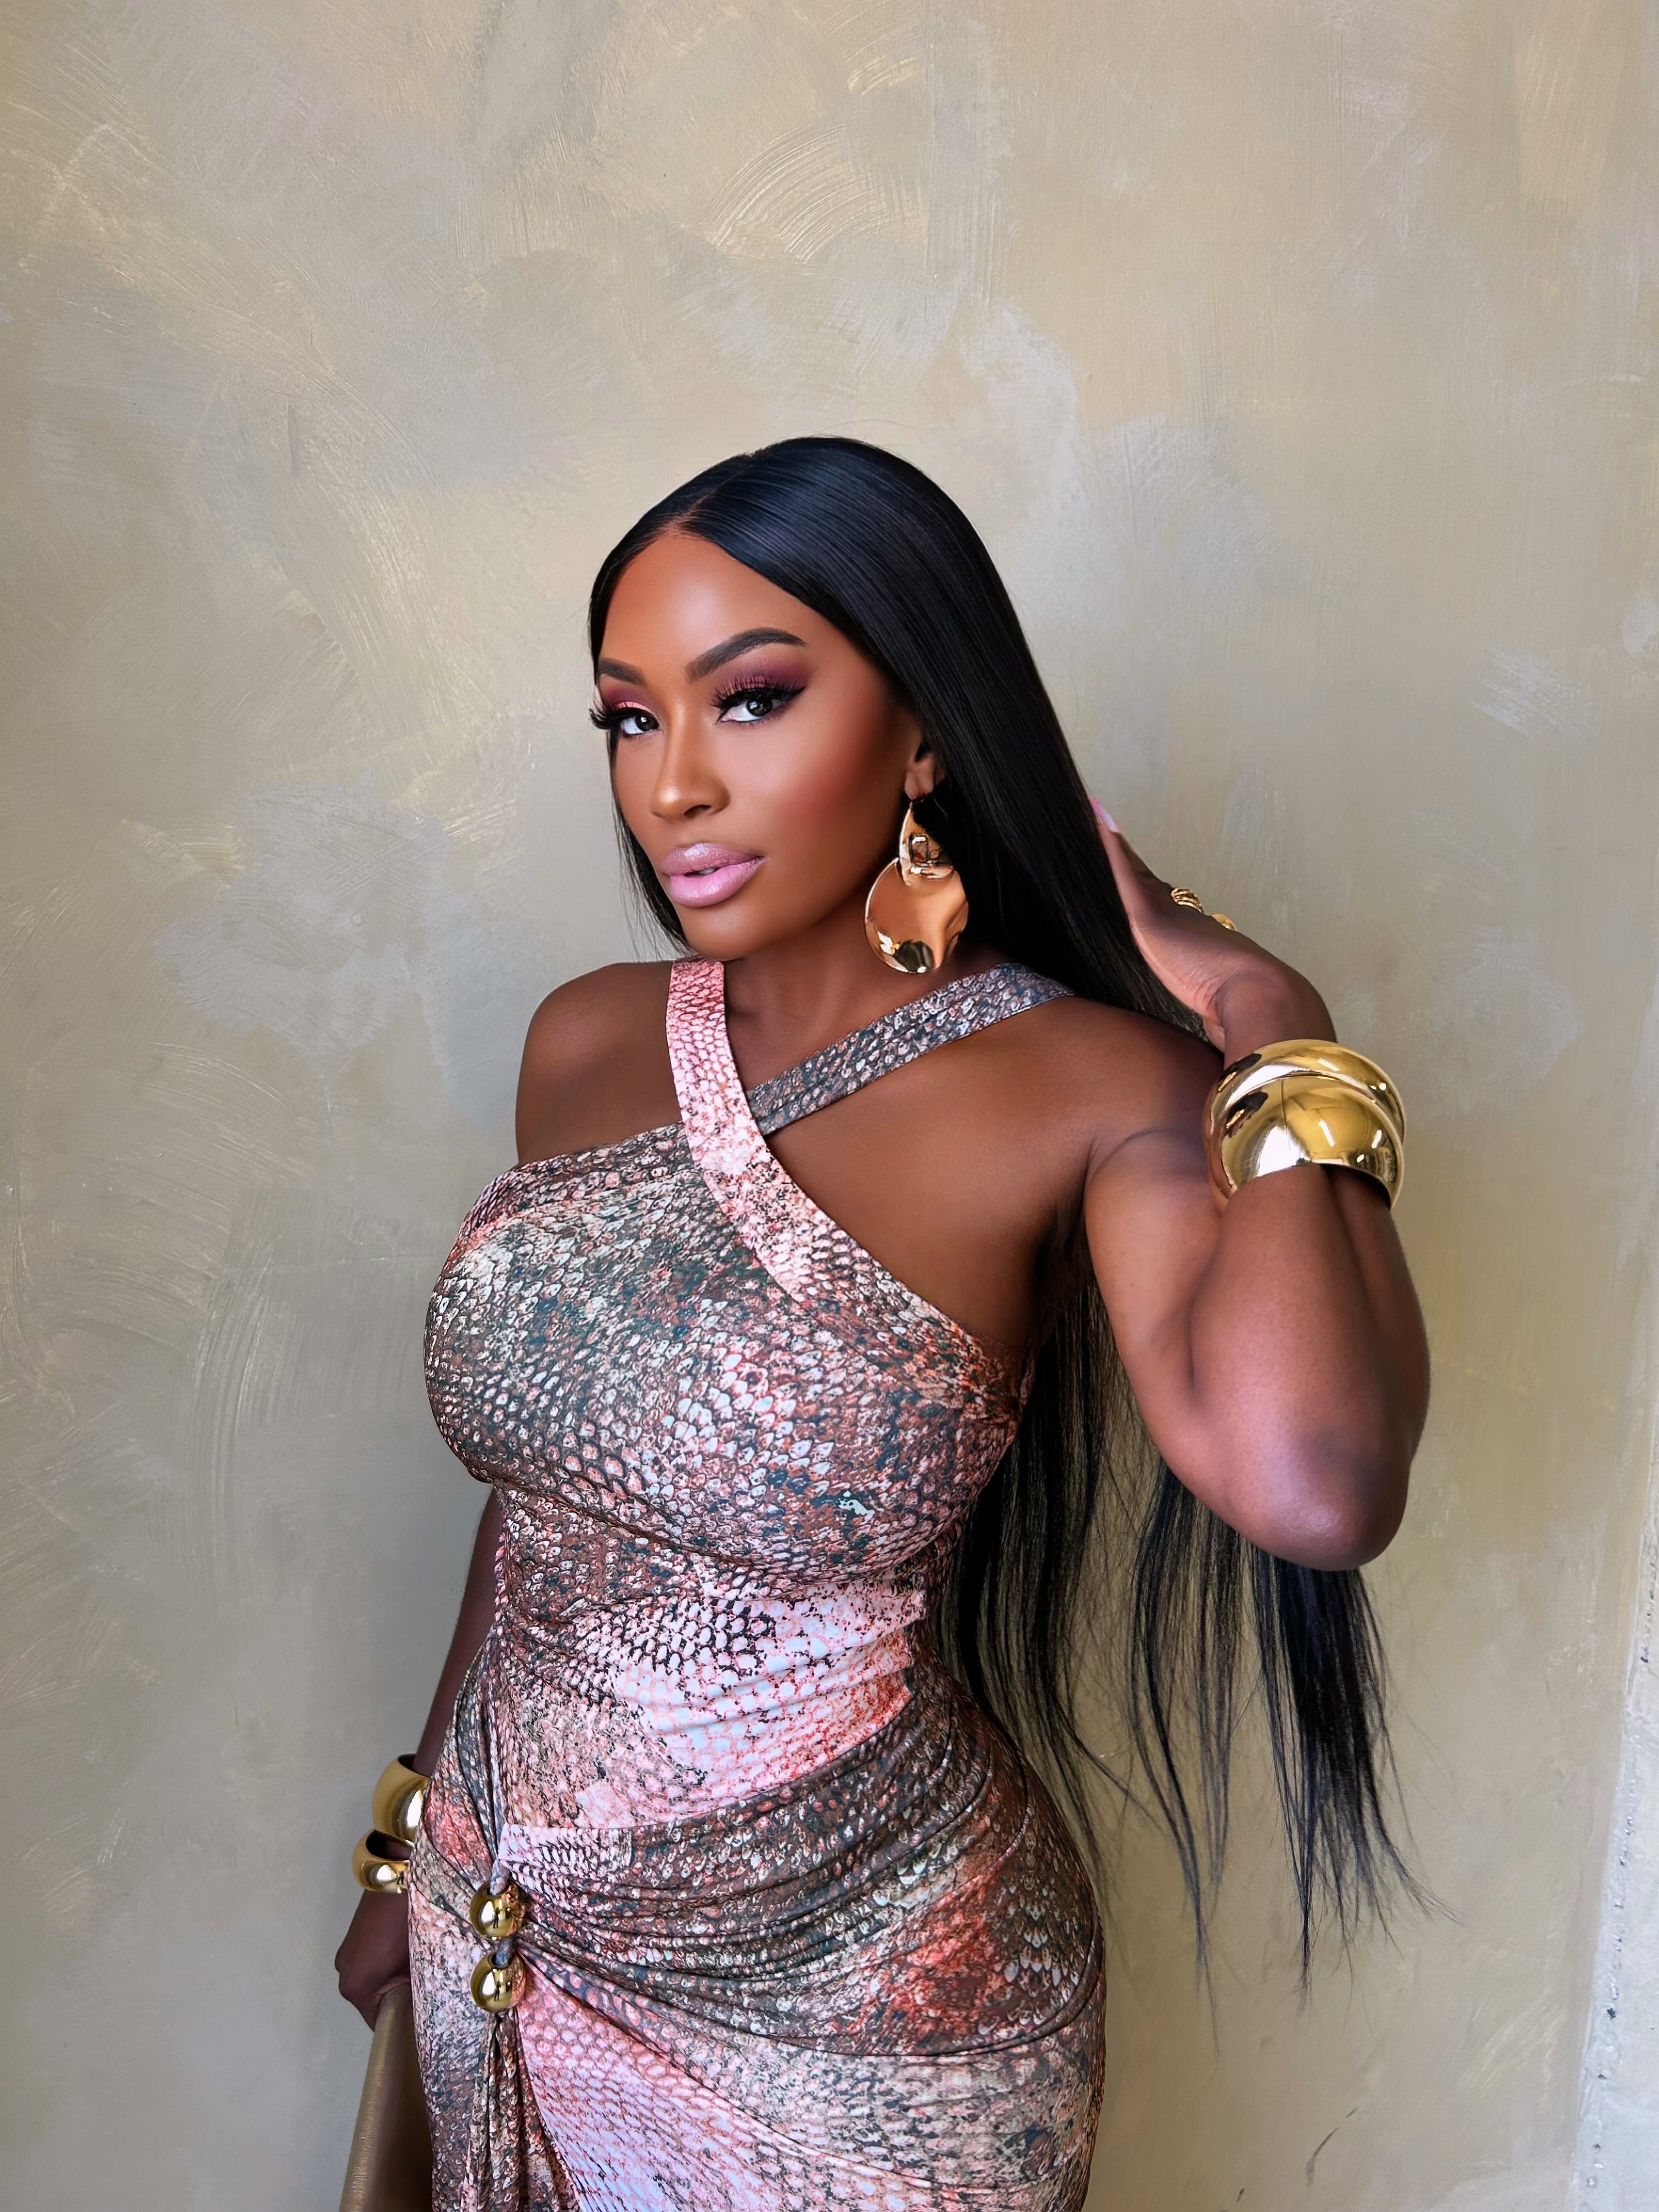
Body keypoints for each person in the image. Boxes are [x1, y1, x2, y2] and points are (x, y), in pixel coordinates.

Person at [334, 437, 1428, 2210]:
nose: (674, 785)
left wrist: (1269, 1017)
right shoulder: (589, 1041)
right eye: (629, 719)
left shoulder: (1094, 1084)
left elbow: (1317, 1484)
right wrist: (408, 1840)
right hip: (511, 1936)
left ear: (921, 731)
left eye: (751, 700)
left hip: (871, 2027)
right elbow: (547, 1509)